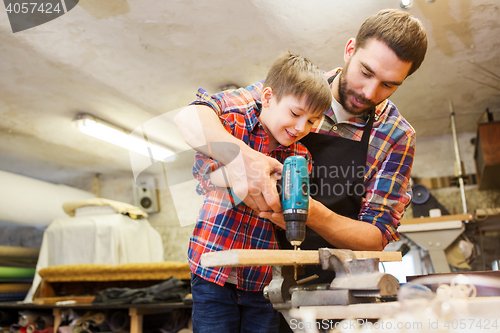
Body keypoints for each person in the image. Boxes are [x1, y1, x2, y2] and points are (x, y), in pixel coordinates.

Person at [175, 8, 427, 254]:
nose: (369, 92)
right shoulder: (296, 86)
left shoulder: (397, 135)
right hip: (263, 270)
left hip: (342, 279)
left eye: (388, 85)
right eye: (365, 72)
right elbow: (191, 117)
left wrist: (312, 214)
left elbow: (377, 236)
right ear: (350, 50)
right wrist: (242, 158)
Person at [187, 51, 332, 333]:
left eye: (313, 121)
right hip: (212, 271)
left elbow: (293, 209)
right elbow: (203, 177)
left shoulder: (301, 157)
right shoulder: (231, 122)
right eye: (295, 113)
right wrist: (246, 173)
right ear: (267, 97)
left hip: (263, 281)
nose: (302, 127)